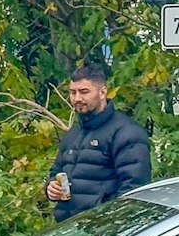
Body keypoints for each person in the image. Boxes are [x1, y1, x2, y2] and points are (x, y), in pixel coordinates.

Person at [46, 63, 150, 221]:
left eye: (84, 92)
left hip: (104, 232)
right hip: (68, 230)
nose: (77, 98)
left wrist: (106, 223)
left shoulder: (126, 132)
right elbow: (56, 172)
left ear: (102, 92)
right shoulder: (74, 133)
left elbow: (134, 191)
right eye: (73, 92)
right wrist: (51, 187)